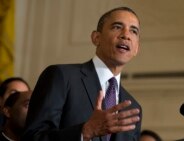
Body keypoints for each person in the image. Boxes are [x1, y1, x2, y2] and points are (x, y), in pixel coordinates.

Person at [22, 6, 142, 141]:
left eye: (133, 31)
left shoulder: (133, 108)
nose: (126, 35)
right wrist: (84, 132)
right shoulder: (61, 77)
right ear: (96, 38)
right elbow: (33, 137)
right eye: (117, 27)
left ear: (136, 48)